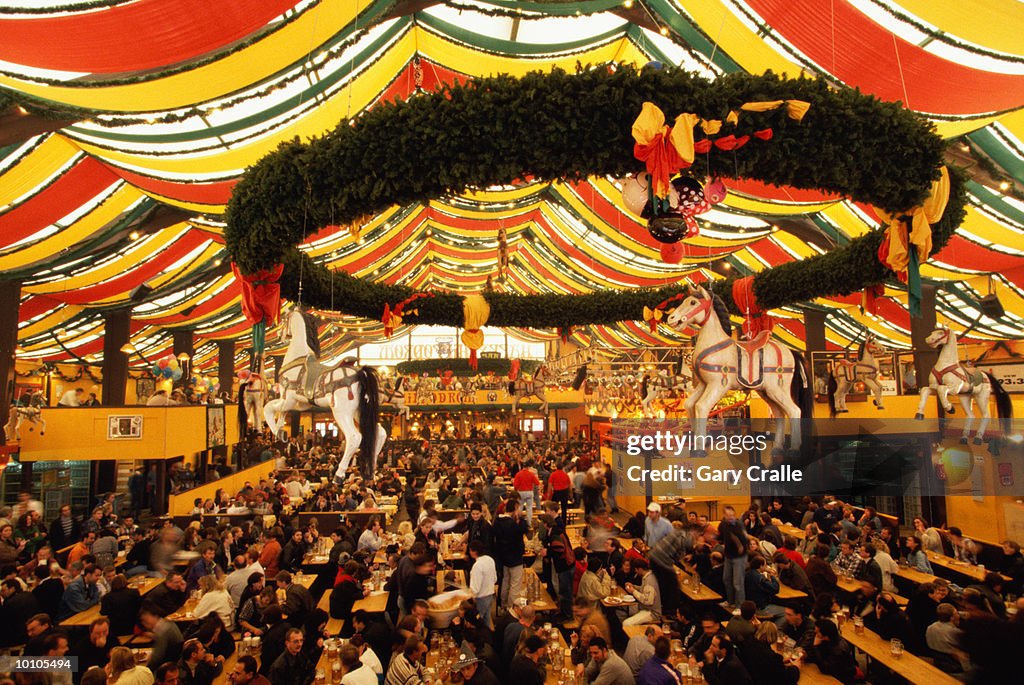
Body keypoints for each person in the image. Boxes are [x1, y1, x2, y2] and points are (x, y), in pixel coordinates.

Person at [804, 620, 856, 685]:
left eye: (817, 632)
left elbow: (825, 668)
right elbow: (816, 657)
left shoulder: (839, 649)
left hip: (841, 677)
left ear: (826, 636)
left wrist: (815, 647)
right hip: (825, 672)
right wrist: (807, 655)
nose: (815, 633)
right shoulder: (823, 639)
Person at [718, 506, 747, 608]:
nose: (730, 517)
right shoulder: (723, 525)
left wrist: (741, 546)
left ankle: (740, 606)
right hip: (728, 555)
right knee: (726, 579)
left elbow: (744, 539)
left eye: (732, 515)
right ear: (724, 515)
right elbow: (720, 537)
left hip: (739, 557)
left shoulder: (738, 525)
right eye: (728, 515)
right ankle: (730, 602)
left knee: (737, 583)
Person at [141, 602, 183, 667]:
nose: (144, 623)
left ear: (155, 616)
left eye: (146, 620)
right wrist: (154, 636)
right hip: (175, 659)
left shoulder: (161, 631)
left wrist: (145, 666)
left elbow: (157, 657)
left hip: (167, 665)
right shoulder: (167, 623)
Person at [0, 577, 39, 647]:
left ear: (12, 589)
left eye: (3, 590)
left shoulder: (10, 603)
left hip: (14, 637)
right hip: (29, 633)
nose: (1, 593)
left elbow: (5, 622)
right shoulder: (29, 595)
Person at [622, 558, 661, 626]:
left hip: (651, 612)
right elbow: (644, 590)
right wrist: (634, 586)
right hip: (643, 608)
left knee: (626, 623)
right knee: (624, 610)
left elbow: (648, 601)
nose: (635, 571)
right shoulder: (647, 576)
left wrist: (633, 591)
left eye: (636, 569)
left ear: (640, 569)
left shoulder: (649, 581)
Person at [468, 540, 496, 630]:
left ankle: (481, 641)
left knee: (477, 623)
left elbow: (475, 588)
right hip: (490, 595)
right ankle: (489, 640)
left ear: (474, 552)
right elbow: (495, 578)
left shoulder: (477, 566)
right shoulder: (489, 559)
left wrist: (470, 595)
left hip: (481, 598)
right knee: (487, 621)